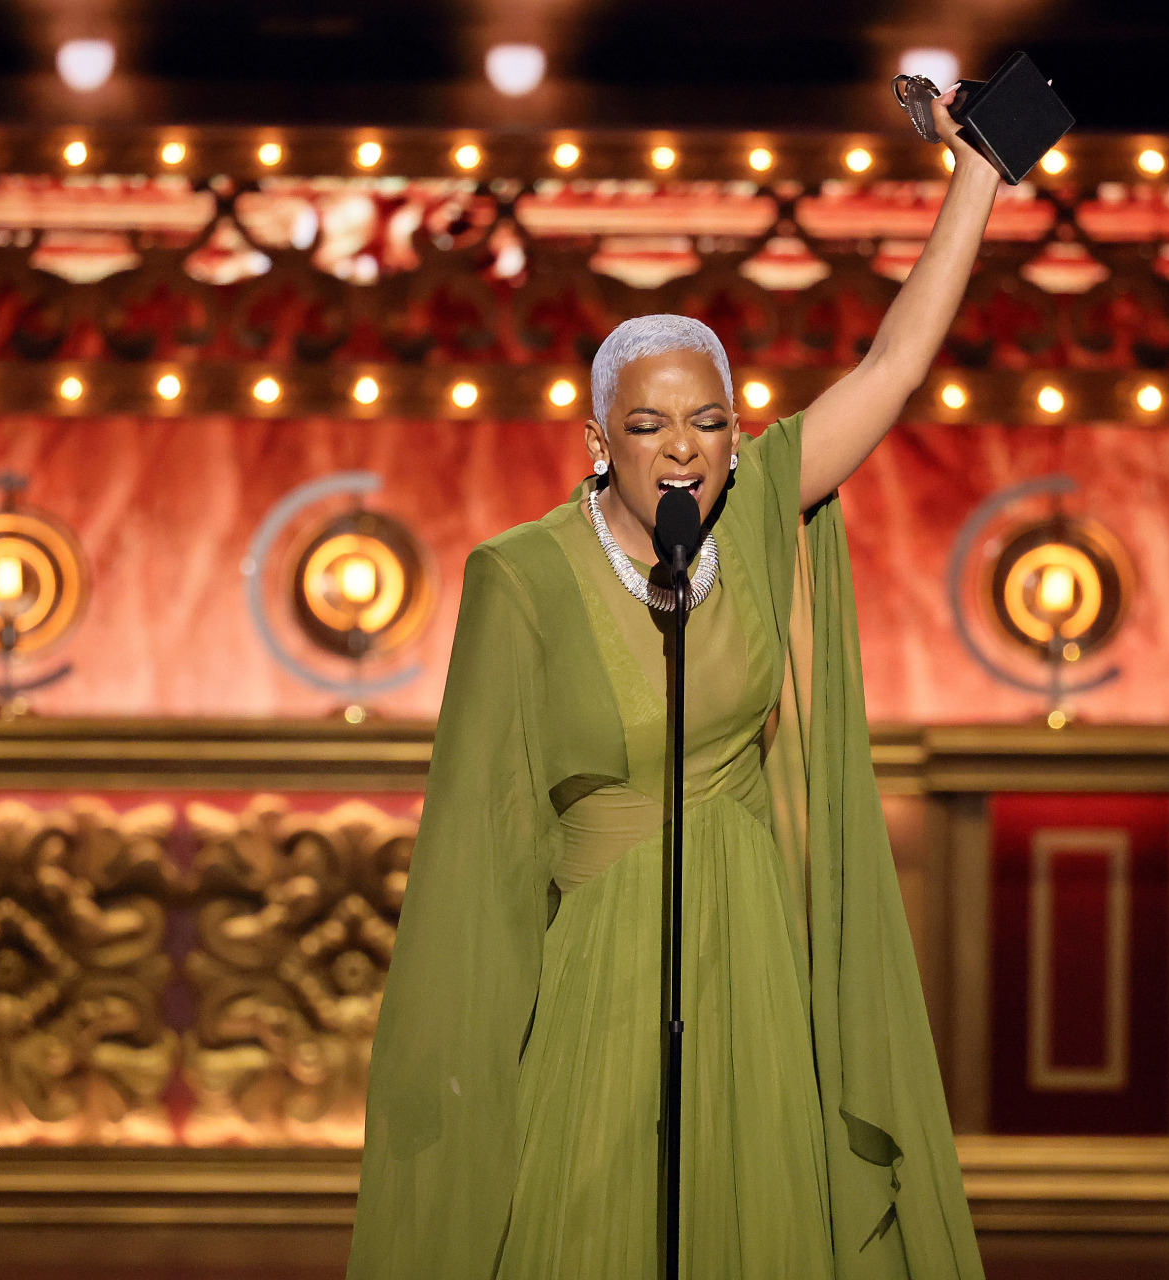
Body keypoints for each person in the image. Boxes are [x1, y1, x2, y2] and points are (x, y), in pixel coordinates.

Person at [350, 90, 1001, 1278]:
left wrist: (980, 171)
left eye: (708, 419)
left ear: (740, 433)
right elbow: (481, 842)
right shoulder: (522, 577)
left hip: (748, 952)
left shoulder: (757, 513)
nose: (685, 444)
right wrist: (467, 1059)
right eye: (649, 424)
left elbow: (898, 360)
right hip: (600, 967)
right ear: (601, 437)